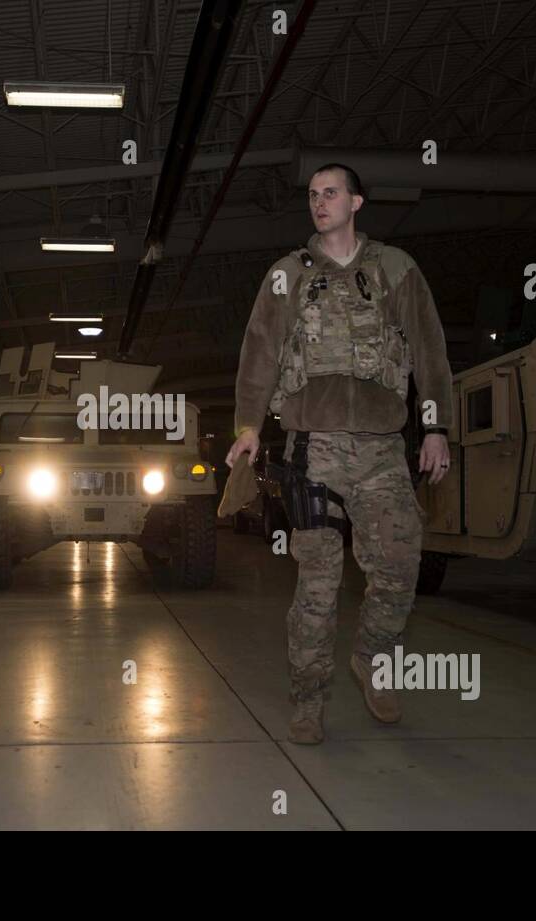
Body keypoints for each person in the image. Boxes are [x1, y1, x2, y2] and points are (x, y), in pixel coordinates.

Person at [226, 163, 454, 742]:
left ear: (357, 201)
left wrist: (435, 428)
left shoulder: (396, 269)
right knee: (318, 583)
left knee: (401, 567)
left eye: (330, 193)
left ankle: (373, 660)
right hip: (314, 449)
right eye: (311, 195)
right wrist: (249, 426)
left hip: (382, 449)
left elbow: (429, 351)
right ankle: (308, 701)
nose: (319, 202)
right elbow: (259, 353)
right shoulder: (287, 275)